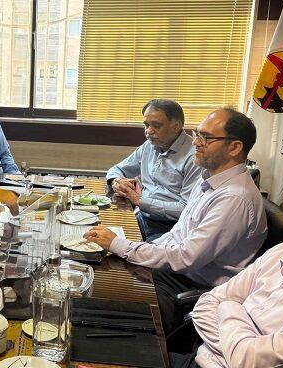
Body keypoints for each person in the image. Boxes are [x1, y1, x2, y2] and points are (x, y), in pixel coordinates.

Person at [86, 108, 267, 332]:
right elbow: (177, 234)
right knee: (95, 272)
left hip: (191, 288)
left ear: (235, 147)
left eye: (205, 137)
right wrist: (136, 249)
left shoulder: (234, 198)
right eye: (197, 134)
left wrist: (120, 244)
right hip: (173, 273)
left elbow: (185, 257)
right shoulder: (210, 179)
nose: (195, 142)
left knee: (102, 305)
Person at [191, 166, 283, 367]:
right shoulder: (282, 251)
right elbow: (206, 303)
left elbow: (249, 361)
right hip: (198, 358)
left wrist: (229, 307)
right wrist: (238, 351)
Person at [106, 99, 203, 241]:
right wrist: (117, 180)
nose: (149, 131)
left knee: (123, 252)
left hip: (171, 228)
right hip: (141, 216)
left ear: (176, 126)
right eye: (146, 125)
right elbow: (118, 169)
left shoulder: (195, 157)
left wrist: (139, 200)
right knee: (98, 235)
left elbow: (187, 209)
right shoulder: (149, 145)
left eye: (156, 125)